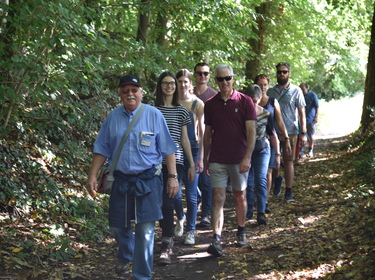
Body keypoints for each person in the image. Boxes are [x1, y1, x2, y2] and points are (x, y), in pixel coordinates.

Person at [86, 74, 178, 279]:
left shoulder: (154, 115)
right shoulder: (113, 117)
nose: (130, 94)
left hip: (148, 180)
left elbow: (168, 149)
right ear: (119, 93)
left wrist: (172, 176)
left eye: (134, 90)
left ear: (141, 93)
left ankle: (141, 275)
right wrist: (92, 175)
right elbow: (102, 148)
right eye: (125, 90)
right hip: (121, 179)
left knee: (145, 232)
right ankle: (127, 254)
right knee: (118, 227)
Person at [204, 64, 256, 257]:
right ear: (215, 81)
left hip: (238, 158)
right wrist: (205, 158)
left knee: (239, 195)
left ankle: (241, 230)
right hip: (217, 157)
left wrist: (247, 157)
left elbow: (251, 132)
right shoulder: (210, 104)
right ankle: (216, 239)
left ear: (233, 79)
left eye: (227, 78)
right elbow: (207, 133)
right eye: (220, 79)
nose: (224, 82)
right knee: (218, 197)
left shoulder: (245, 101)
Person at [154, 71, 195, 265]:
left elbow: (185, 139)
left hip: (176, 162)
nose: (169, 86)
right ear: (160, 86)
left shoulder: (181, 111)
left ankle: (166, 244)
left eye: (172, 83)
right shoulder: (153, 110)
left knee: (169, 201)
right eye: (165, 83)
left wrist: (192, 163)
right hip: (154, 162)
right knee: (159, 203)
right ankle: (164, 235)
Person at [267, 63, 307, 201]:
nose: (282, 74)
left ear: (289, 73)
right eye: (279, 72)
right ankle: (277, 179)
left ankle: (288, 191)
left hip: (291, 131)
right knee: (274, 161)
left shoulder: (296, 91)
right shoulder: (270, 91)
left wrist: (303, 133)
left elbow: (302, 112)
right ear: (276, 73)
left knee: (288, 161)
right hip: (273, 131)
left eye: (284, 72)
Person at [176, 68, 205, 245]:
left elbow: (202, 132)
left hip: (193, 150)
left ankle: (191, 231)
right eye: (180, 81)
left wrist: (201, 157)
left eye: (185, 82)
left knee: (192, 195)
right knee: (175, 195)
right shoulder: (171, 102)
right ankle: (180, 216)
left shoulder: (198, 104)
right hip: (175, 151)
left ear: (190, 84)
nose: (182, 84)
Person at [255, 74, 291, 205]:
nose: (262, 87)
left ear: (268, 86)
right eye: (260, 85)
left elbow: (280, 122)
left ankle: (264, 202)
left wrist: (286, 138)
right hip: (254, 141)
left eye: (265, 85)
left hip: (270, 140)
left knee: (268, 171)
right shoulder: (250, 101)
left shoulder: (272, 101)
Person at [193, 62, 218, 228]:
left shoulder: (214, 96)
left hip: (209, 143)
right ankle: (195, 209)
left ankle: (206, 214)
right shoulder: (187, 92)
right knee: (191, 181)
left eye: (206, 73)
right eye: (200, 73)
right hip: (190, 143)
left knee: (206, 179)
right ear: (194, 74)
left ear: (210, 76)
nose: (203, 76)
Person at [243, 85, 271, 225]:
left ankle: (261, 212)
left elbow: (271, 133)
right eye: (250, 100)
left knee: (260, 180)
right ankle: (248, 210)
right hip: (246, 151)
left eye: (255, 100)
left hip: (262, 150)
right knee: (247, 182)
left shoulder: (266, 114)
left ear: (260, 99)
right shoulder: (242, 114)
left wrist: (277, 154)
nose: (253, 103)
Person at [300, 82, 319, 158]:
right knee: (301, 134)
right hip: (301, 119)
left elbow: (317, 106)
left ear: (307, 88)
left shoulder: (312, 95)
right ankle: (300, 150)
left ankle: (310, 150)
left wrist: (316, 116)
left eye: (303, 89)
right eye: (300, 89)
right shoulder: (299, 95)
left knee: (310, 135)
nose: (302, 90)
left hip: (310, 118)